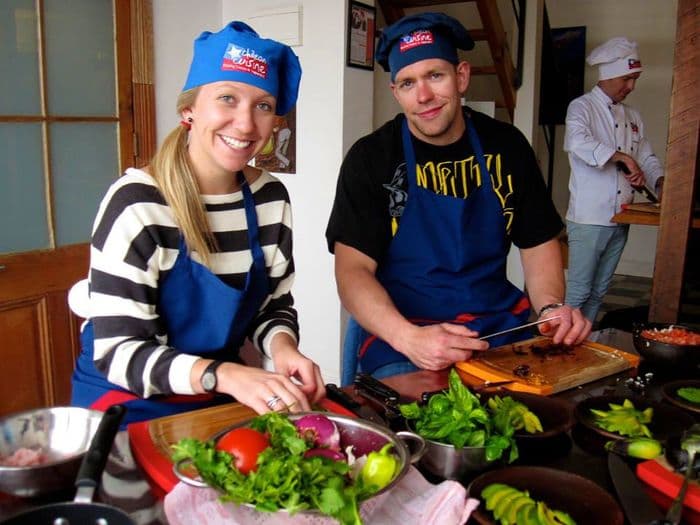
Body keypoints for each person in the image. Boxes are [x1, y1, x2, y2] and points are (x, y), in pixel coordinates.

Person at [70, 21, 325, 427]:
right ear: (189, 110)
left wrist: (283, 347)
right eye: (227, 98)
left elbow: (271, 305)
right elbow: (119, 351)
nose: (245, 124)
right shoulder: (138, 203)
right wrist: (224, 374)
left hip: (215, 400)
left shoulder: (269, 199)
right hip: (124, 408)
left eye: (262, 106)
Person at [326, 12, 591, 384]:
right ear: (395, 92)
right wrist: (409, 338)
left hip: (495, 326)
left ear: (461, 76)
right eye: (407, 83)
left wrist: (550, 308)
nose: (424, 96)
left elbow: (537, 242)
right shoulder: (371, 158)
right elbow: (351, 271)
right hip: (404, 333)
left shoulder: (507, 146)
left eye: (435, 75)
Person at [564, 37, 664, 323]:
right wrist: (619, 156)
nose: (631, 87)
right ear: (608, 75)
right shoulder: (581, 107)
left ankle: (586, 341)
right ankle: (561, 345)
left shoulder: (633, 115)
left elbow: (646, 155)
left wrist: (659, 182)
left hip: (622, 217)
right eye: (627, 79)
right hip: (589, 218)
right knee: (579, 292)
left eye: (635, 79)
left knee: (599, 291)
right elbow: (578, 142)